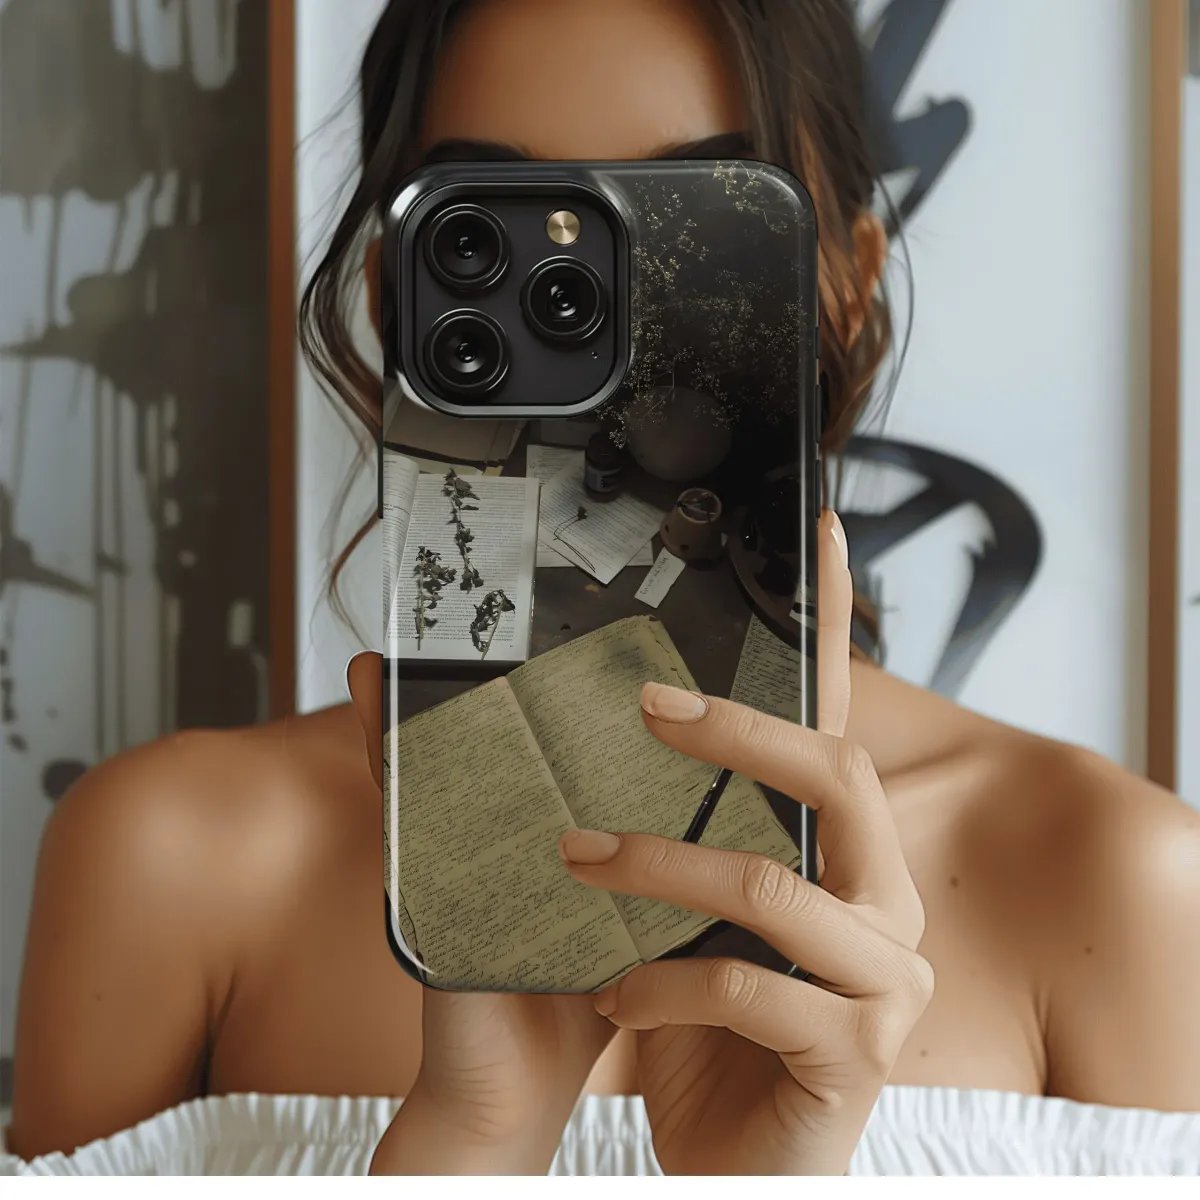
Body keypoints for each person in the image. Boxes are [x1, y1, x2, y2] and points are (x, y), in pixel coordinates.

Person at [6, 0, 1200, 1176]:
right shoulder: (173, 864)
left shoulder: (1116, 884)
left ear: (845, 284)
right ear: (395, 298)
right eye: (494, 232)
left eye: (702, 221)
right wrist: (475, 1142)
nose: (603, 317)